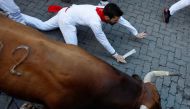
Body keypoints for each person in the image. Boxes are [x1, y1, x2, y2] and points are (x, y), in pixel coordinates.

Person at [22, 3, 147, 63]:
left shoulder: (106, 10)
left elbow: (122, 20)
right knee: (73, 50)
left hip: (66, 11)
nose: (118, 20)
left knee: (43, 26)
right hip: (66, 21)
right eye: (115, 19)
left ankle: (17, 15)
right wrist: (115, 55)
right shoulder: (95, 22)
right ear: (108, 18)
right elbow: (102, 38)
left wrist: (135, 33)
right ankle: (15, 15)